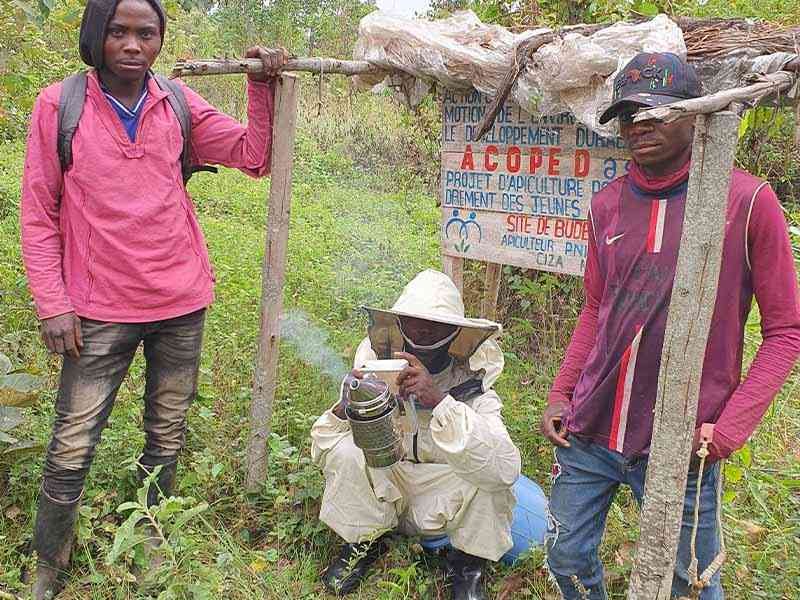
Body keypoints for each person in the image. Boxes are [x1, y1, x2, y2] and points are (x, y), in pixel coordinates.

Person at [20, 0, 288, 596]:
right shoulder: (60, 106)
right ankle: (49, 562)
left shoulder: (176, 102)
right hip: (97, 310)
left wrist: (261, 86)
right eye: (118, 32)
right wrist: (52, 303)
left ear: (161, 40)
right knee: (72, 440)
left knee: (166, 431)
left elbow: (253, 157)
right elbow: (38, 213)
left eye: (146, 33)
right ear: (96, 35)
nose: (133, 45)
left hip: (179, 302)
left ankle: (149, 540)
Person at [541, 52, 800, 600]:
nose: (639, 125)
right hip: (592, 426)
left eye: (657, 112)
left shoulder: (746, 202)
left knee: (690, 582)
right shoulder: (608, 205)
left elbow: (786, 332)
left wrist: (728, 429)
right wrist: (562, 392)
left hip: (682, 439)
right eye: (628, 114)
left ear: (695, 115)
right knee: (566, 557)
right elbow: (595, 309)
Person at [311, 269, 521, 599]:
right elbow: (323, 446)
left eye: (435, 326)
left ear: (454, 333)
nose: (423, 332)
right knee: (346, 450)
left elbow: (506, 468)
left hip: (440, 497)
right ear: (400, 326)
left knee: (490, 474)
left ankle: (468, 567)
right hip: (387, 486)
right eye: (415, 323)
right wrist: (346, 406)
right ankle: (363, 544)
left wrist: (439, 401)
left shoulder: (474, 387)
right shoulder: (375, 372)